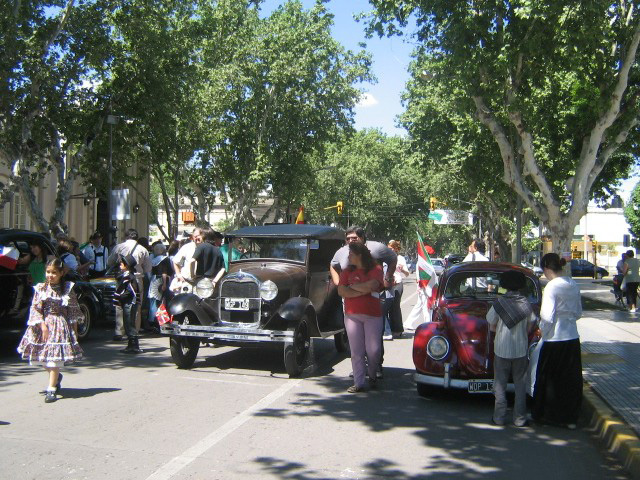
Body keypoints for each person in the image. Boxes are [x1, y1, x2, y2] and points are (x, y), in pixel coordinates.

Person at [330, 226, 396, 378]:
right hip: (351, 301)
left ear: (363, 238)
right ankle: (359, 371)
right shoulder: (342, 252)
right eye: (348, 239)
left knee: (373, 337)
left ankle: (376, 365)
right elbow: (333, 265)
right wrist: (338, 282)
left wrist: (388, 277)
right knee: (355, 338)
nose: (351, 241)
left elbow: (392, 258)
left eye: (354, 238)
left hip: (373, 299)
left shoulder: (377, 248)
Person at [16, 258, 84, 403]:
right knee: (43, 359)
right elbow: (35, 308)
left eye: (54, 272)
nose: (50, 275)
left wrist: (74, 331)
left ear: (61, 273)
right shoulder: (41, 288)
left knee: (54, 359)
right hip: (44, 325)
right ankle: (57, 377)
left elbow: (72, 311)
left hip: (60, 325)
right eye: (48, 272)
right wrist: (42, 325)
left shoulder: (67, 289)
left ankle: (51, 389)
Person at [531, 253, 582, 429]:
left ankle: (546, 415)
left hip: (554, 338)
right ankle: (569, 418)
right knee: (569, 380)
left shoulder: (552, 287)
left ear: (546, 268)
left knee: (548, 378)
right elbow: (578, 313)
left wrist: (542, 332)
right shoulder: (572, 284)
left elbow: (547, 316)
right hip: (572, 336)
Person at [486, 270, 537, 427]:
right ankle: (520, 418)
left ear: (504, 285)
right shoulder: (525, 303)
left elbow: (492, 325)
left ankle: (499, 417)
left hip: (501, 348)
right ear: (521, 285)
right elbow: (531, 324)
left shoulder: (499, 303)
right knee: (520, 384)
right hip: (520, 349)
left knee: (500, 384)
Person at [337, 242, 384, 393]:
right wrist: (361, 290)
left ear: (359, 255)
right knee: (356, 351)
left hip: (373, 315)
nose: (348, 256)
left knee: (373, 350)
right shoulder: (346, 272)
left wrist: (352, 288)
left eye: (351, 254)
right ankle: (359, 383)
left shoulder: (375, 269)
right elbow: (341, 291)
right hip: (352, 315)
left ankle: (372, 374)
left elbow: (373, 285)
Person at [107, 228, 151, 338]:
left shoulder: (118, 247)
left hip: (122, 279)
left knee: (119, 303)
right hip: (137, 279)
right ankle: (134, 331)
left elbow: (109, 262)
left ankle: (119, 331)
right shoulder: (143, 249)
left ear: (126, 237)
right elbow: (148, 268)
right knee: (137, 305)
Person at [114, 254, 142, 354]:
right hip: (128, 303)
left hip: (130, 303)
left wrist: (121, 297)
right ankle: (131, 345)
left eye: (122, 263)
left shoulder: (129, 276)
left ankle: (134, 346)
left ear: (127, 265)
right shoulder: (127, 275)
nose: (120, 264)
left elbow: (132, 291)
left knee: (130, 324)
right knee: (128, 324)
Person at [386, 240, 410, 339]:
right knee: (385, 307)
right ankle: (387, 329)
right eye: (388, 248)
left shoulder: (400, 258)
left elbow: (407, 273)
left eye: (391, 248)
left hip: (397, 284)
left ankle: (397, 329)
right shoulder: (385, 257)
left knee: (395, 307)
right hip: (387, 284)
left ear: (396, 249)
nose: (390, 250)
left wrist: (401, 269)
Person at [147, 243, 172, 332]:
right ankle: (160, 322)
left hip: (154, 280)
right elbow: (164, 272)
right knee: (162, 302)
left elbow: (149, 272)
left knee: (153, 301)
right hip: (161, 281)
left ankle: (152, 320)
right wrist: (165, 283)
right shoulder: (165, 259)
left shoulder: (153, 260)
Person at [171, 228, 201, 292]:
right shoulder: (187, 247)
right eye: (194, 236)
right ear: (192, 237)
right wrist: (178, 274)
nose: (196, 238)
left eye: (198, 236)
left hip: (201, 284)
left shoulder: (206, 247)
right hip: (187, 283)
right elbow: (176, 261)